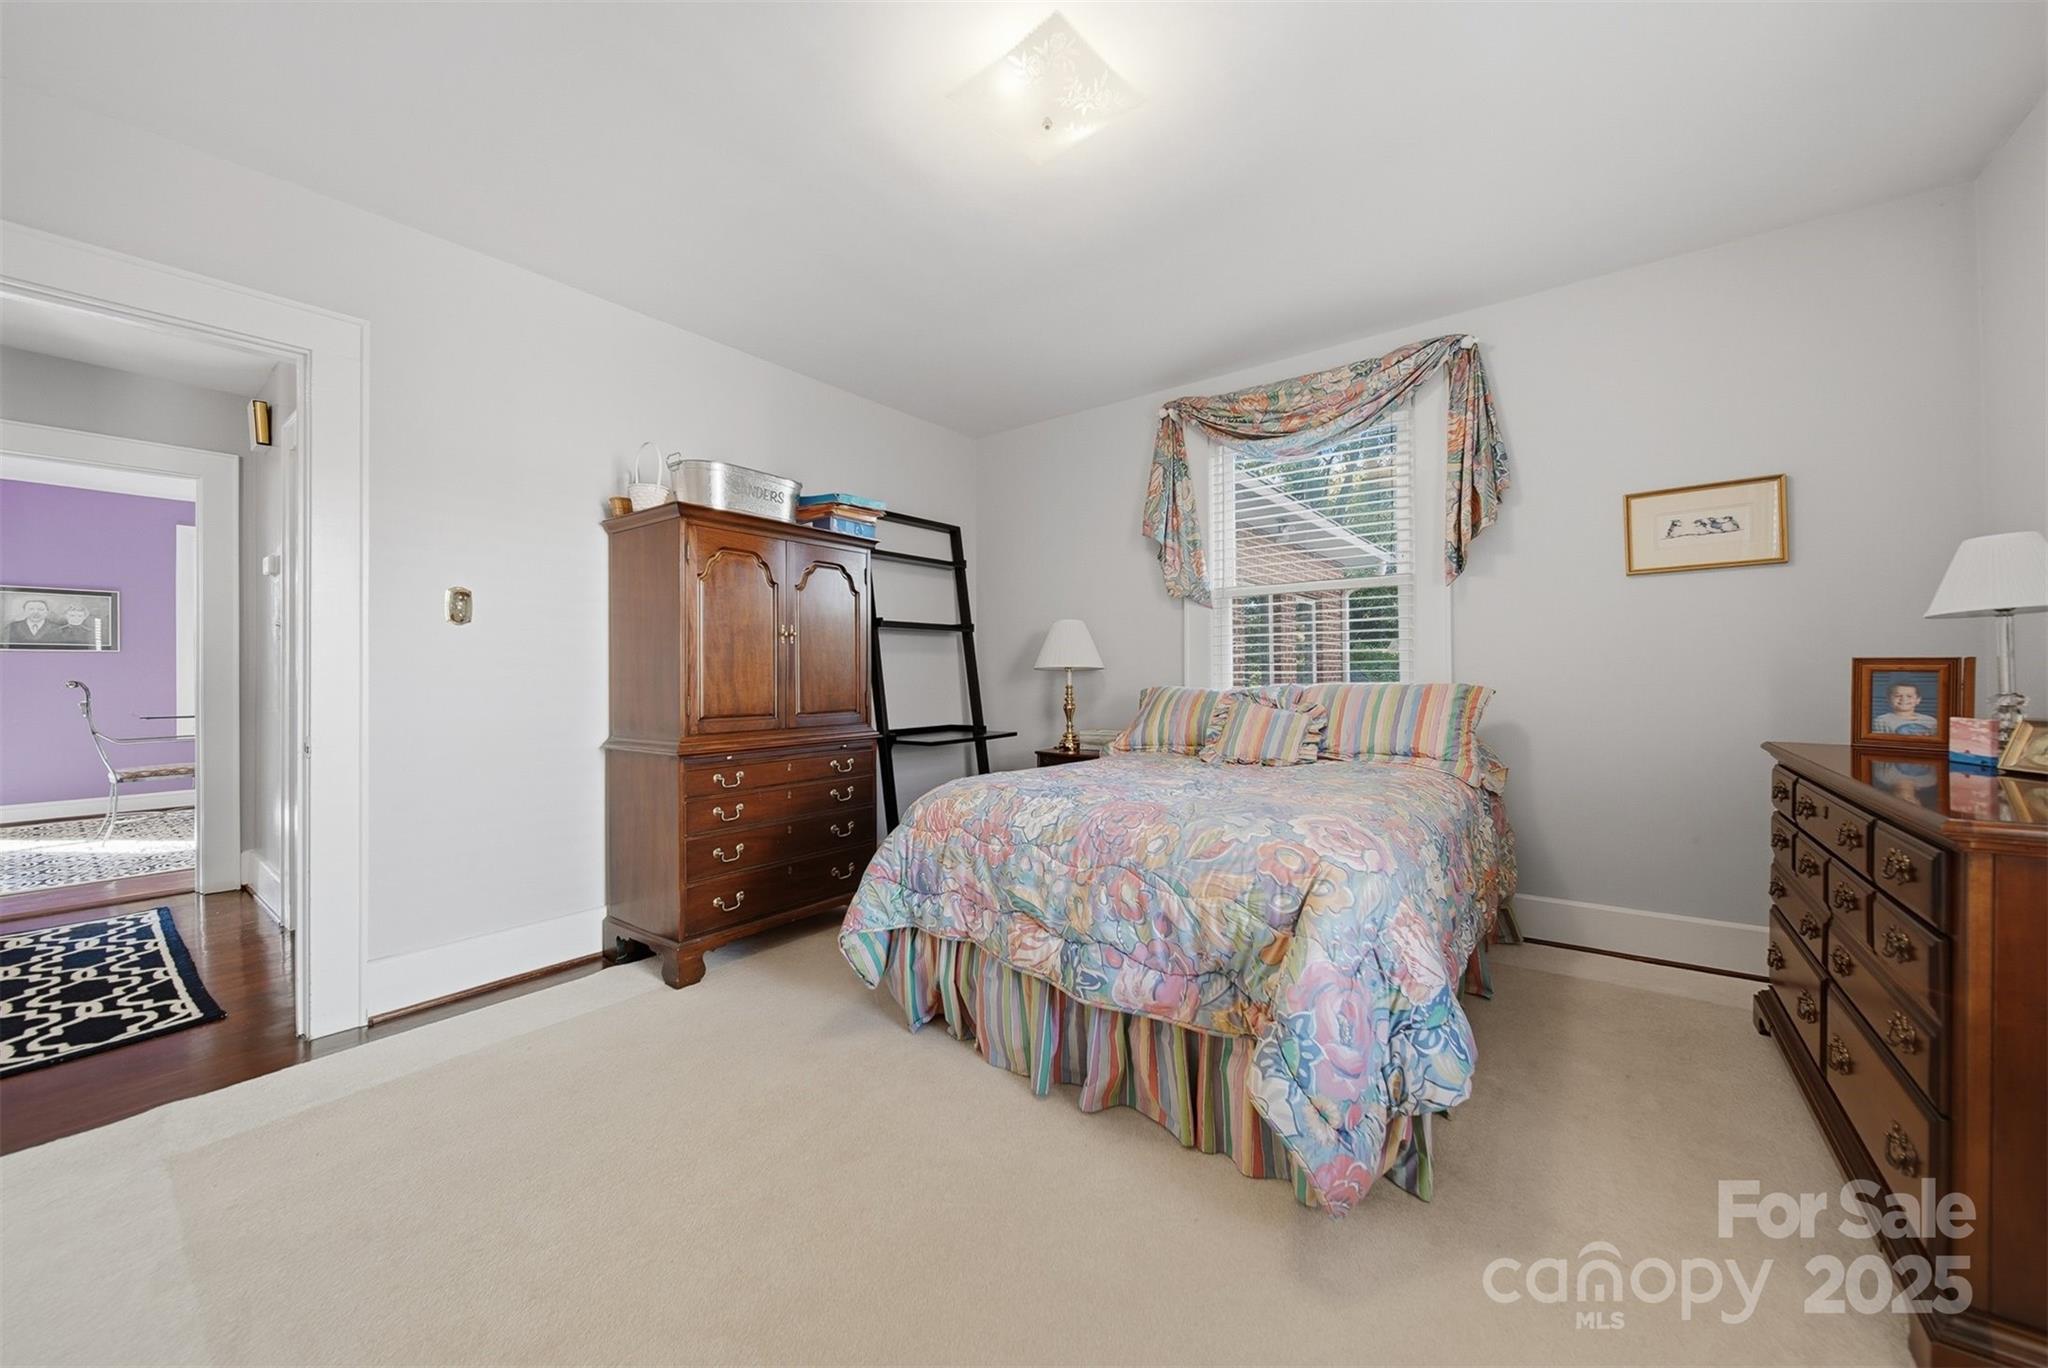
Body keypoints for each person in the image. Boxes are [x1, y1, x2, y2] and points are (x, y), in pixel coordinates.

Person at [1872, 681, 1937, 736]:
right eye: (1898, 696)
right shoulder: (1881, 721)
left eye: (1909, 696)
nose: (1904, 699)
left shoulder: (1931, 721)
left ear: (1918, 700)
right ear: (1889, 699)